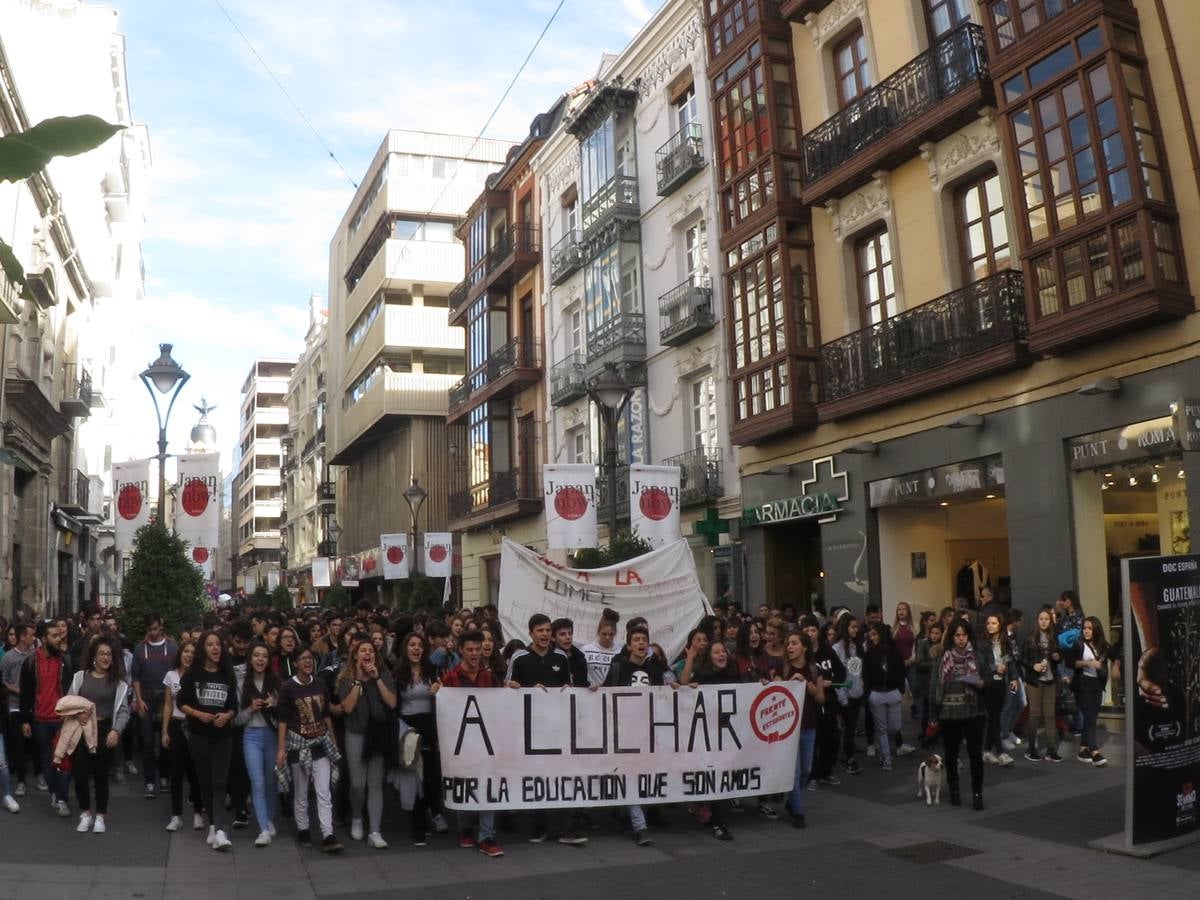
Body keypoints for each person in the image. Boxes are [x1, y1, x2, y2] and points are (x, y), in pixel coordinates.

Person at [506, 614, 587, 846]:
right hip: (530, 728)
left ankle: (566, 829)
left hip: (557, 727)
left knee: (564, 775)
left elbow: (569, 685)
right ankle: (539, 827)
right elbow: (507, 687)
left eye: (547, 630)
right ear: (530, 633)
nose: (544, 634)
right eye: (540, 630)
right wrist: (523, 688)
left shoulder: (561, 657)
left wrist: (567, 688)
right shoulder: (519, 658)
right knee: (536, 777)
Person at [602, 624, 669, 846]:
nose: (641, 643)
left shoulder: (655, 671)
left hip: (649, 732)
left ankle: (626, 814)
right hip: (624, 733)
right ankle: (640, 826)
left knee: (643, 776)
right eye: (637, 640)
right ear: (629, 645)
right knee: (631, 776)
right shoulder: (618, 669)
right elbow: (605, 696)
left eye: (644, 640)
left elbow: (663, 698)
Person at [440, 630, 504, 857]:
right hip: (461, 743)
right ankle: (466, 829)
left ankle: (487, 836)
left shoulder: (490, 677)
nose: (475, 653)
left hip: (487, 744)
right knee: (464, 784)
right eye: (470, 650)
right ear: (461, 650)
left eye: (477, 649)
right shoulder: (450, 679)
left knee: (487, 785)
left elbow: (501, 706)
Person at [277, 645, 343, 853]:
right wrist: (281, 748)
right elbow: (283, 720)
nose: (307, 662)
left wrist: (333, 740)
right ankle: (303, 828)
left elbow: (326, 715)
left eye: (310, 658)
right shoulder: (287, 687)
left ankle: (328, 833)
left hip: (320, 744)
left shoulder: (321, 684)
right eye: (303, 658)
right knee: (301, 791)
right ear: (295, 663)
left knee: (323, 790)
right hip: (299, 746)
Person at [177, 631, 239, 850]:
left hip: (223, 736)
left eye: (218, 644)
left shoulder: (227, 674)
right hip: (199, 735)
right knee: (205, 781)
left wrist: (228, 716)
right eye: (210, 644)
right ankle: (213, 824)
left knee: (220, 782)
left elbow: (234, 705)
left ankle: (220, 830)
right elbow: (181, 702)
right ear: (203, 648)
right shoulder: (192, 675)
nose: (215, 648)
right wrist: (198, 714)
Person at [334, 636, 396, 849]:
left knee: (375, 783)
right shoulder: (345, 677)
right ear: (355, 655)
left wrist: (377, 679)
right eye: (363, 650)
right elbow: (348, 707)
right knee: (358, 784)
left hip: (377, 734)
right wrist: (358, 680)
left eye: (371, 650)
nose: (367, 653)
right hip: (356, 733)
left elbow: (392, 702)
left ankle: (375, 831)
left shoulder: (384, 674)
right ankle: (357, 816)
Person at [68, 636, 130, 834]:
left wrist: (116, 730)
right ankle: (85, 813)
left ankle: (101, 816)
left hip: (104, 731)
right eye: (102, 653)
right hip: (81, 729)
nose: (105, 657)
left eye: (109, 654)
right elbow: (68, 702)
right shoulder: (80, 677)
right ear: (94, 656)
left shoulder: (118, 683)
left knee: (101, 776)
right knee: (80, 775)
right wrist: (77, 714)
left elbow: (123, 711)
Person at [929, 619, 991, 809]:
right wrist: (933, 714)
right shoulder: (944, 656)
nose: (961, 639)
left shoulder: (977, 654)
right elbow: (934, 684)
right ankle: (954, 789)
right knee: (951, 752)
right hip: (949, 712)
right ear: (952, 637)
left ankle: (977, 793)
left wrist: (981, 683)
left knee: (975, 753)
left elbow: (989, 676)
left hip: (974, 711)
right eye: (957, 635)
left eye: (964, 635)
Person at [395, 631, 448, 845]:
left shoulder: (432, 670)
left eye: (420, 645)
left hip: (429, 725)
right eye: (412, 644)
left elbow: (445, 697)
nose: (416, 648)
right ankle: (417, 824)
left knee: (430, 776)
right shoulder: (398, 673)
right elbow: (394, 704)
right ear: (406, 648)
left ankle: (432, 813)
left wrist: (440, 689)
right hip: (408, 727)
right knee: (413, 775)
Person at [19, 617, 74, 816]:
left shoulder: (65, 661)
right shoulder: (30, 662)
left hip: (62, 720)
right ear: (43, 639)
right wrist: (25, 720)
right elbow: (25, 693)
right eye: (54, 636)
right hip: (40, 720)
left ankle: (62, 799)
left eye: (59, 635)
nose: (59, 638)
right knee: (47, 760)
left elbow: (71, 688)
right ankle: (54, 791)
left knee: (64, 759)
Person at [237, 643, 281, 846]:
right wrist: (250, 709)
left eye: (264, 656)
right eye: (256, 655)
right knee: (258, 782)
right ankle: (263, 828)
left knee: (271, 782)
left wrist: (274, 706)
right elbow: (236, 719)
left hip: (272, 735)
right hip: (251, 736)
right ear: (250, 658)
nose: (260, 659)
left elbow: (285, 715)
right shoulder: (242, 683)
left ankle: (269, 819)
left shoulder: (276, 682)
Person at [779, 631, 823, 828]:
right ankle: (798, 812)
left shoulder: (814, 669)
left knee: (807, 769)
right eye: (788, 643)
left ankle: (791, 801)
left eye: (794, 643)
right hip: (789, 728)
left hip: (809, 725)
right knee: (795, 771)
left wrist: (812, 689)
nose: (789, 646)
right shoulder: (783, 668)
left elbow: (821, 699)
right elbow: (775, 691)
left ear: (804, 647)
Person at [131, 615, 177, 799]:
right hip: (147, 699)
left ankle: (164, 776)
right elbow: (135, 677)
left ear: (161, 627)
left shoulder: (172, 648)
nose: (152, 632)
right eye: (149, 629)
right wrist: (138, 699)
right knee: (148, 742)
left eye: (155, 628)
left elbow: (178, 673)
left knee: (166, 741)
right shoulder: (140, 648)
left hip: (167, 699)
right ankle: (149, 781)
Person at [161, 640, 204, 832]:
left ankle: (198, 813)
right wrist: (164, 730)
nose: (189, 655)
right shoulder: (170, 676)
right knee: (176, 772)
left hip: (195, 725)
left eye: (193, 652)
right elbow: (167, 705)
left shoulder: (199, 675)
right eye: (186, 651)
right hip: (176, 725)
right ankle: (176, 815)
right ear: (180, 653)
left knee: (195, 771)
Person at [863, 623, 913, 770]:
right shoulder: (869, 653)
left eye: (874, 634)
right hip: (876, 692)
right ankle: (886, 758)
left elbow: (901, 671)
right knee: (882, 728)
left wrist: (900, 689)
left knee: (895, 727)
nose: (872, 637)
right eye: (871, 635)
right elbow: (865, 674)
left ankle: (883, 747)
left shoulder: (895, 652)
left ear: (882, 634)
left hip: (893, 692)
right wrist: (868, 693)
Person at [1022, 606, 1065, 762]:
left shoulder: (1054, 637)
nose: (1044, 622)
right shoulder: (1030, 639)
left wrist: (1057, 656)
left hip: (1050, 681)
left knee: (1050, 715)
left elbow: (1059, 656)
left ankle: (1051, 750)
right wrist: (1033, 666)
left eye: (1046, 619)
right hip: (1035, 681)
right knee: (1034, 714)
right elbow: (1022, 659)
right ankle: (1031, 749)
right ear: (1037, 620)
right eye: (1041, 619)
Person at [1065, 616, 1110, 767]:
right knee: (1090, 717)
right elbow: (1070, 662)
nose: (1086, 631)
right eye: (1084, 628)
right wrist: (1087, 663)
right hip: (1083, 684)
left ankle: (1083, 749)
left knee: (1092, 717)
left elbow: (1114, 653)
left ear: (1096, 629)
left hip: (1097, 684)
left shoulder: (1102, 645)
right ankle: (1094, 751)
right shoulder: (1079, 644)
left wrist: (1116, 664)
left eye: (1090, 628)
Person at [1, 623, 35, 798]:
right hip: (15, 705)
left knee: (36, 743)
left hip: (33, 705)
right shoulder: (8, 657)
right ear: (22, 636)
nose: (33, 638)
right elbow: (3, 679)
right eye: (31, 635)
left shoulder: (34, 655)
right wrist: (16, 689)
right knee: (18, 744)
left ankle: (40, 774)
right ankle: (21, 780)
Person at [979, 613, 1016, 767]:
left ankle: (987, 750)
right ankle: (1001, 752)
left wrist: (1014, 678)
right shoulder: (982, 643)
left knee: (995, 717)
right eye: (988, 623)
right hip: (988, 683)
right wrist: (995, 668)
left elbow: (1010, 661)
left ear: (1000, 625)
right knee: (994, 718)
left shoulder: (1005, 642)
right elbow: (981, 664)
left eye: (994, 623)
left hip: (1001, 682)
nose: (990, 626)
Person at [832, 615, 865, 775]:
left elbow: (856, 672)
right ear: (845, 628)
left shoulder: (856, 646)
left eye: (856, 627)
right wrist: (842, 697)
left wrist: (860, 688)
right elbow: (836, 676)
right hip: (844, 696)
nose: (855, 630)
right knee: (849, 727)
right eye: (852, 627)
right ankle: (847, 757)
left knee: (851, 728)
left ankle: (848, 755)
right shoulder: (837, 648)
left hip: (857, 694)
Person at [580, 609, 621, 687]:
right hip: (590, 692)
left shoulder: (620, 652)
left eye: (611, 634)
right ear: (598, 632)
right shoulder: (585, 650)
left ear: (615, 633)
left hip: (612, 692)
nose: (607, 638)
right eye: (604, 634)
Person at [551, 618, 588, 688]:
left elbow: (583, 684)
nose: (568, 637)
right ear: (553, 638)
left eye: (570, 633)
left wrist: (590, 688)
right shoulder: (547, 658)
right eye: (562, 634)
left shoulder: (580, 659)